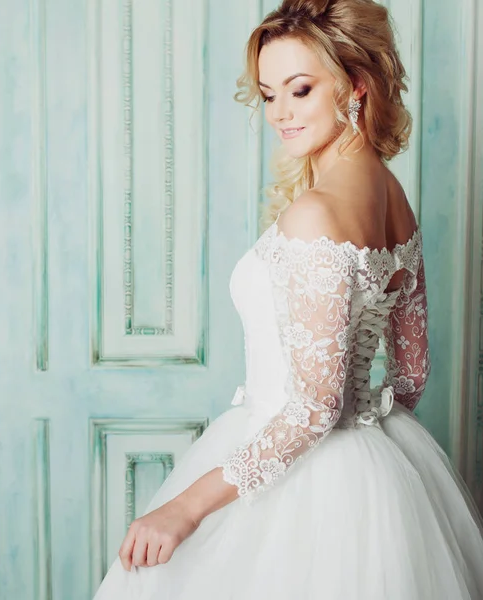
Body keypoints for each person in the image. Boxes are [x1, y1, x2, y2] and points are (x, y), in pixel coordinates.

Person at [93, 0, 483, 597]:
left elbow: (313, 411)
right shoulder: (395, 199)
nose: (279, 113)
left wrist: (186, 509)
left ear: (354, 86)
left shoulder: (315, 213)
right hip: (375, 469)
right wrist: (373, 443)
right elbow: (412, 375)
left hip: (294, 476)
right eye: (269, 94)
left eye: (299, 90)